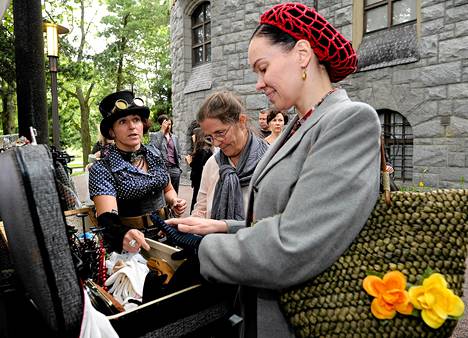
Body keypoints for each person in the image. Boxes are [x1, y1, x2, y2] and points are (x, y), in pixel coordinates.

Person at [158, 3, 382, 336]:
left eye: (263, 68)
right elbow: (278, 219)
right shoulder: (297, 126)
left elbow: (295, 245)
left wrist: (204, 248)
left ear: (302, 54)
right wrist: (218, 227)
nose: (259, 83)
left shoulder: (349, 121)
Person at [88, 90, 187, 254]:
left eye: (136, 120)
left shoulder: (154, 154)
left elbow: (168, 189)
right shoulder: (103, 168)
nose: (132, 126)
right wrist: (124, 234)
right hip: (132, 245)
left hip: (167, 234)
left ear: (143, 124)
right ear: (112, 131)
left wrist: (175, 201)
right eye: (122, 122)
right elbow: (107, 218)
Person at [190, 90, 269, 221]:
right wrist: (193, 222)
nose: (216, 143)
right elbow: (201, 208)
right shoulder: (212, 164)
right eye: (210, 137)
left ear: (241, 121)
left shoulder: (270, 161)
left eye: (220, 133)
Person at [150, 115, 183, 193]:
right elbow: (154, 148)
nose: (168, 126)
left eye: (170, 124)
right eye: (166, 124)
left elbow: (178, 153)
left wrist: (179, 169)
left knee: (174, 193)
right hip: (162, 169)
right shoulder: (154, 136)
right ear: (161, 125)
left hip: (174, 169)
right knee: (163, 194)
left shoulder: (175, 137)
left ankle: (173, 205)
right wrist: (162, 132)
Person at [186, 128, 213, 213]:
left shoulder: (201, 151)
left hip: (199, 180)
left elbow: (198, 168)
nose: (192, 136)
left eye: (194, 135)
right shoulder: (206, 149)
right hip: (202, 179)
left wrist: (190, 162)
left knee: (197, 200)